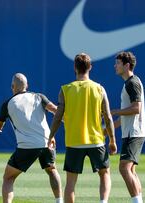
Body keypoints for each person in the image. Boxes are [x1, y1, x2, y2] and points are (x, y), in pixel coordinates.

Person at [48, 53, 117, 203]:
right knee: (105, 174)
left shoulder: (65, 89)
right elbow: (108, 117)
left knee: (71, 183)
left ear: (75, 67)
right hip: (96, 140)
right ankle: (103, 202)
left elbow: (57, 117)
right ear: (90, 67)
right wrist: (112, 140)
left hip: (74, 141)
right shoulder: (99, 89)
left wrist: (50, 136)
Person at [0, 73, 63, 203]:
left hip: (26, 147)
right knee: (52, 170)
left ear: (12, 87)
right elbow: (56, 111)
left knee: (8, 177)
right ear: (27, 86)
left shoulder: (7, 104)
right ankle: (59, 201)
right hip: (46, 143)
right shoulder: (39, 96)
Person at [111, 51, 145, 203]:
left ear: (127, 66)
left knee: (124, 168)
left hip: (135, 133)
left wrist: (114, 111)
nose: (115, 66)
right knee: (130, 169)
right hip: (132, 133)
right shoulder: (129, 83)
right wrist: (108, 131)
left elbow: (136, 108)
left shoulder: (132, 82)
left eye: (118, 63)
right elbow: (127, 115)